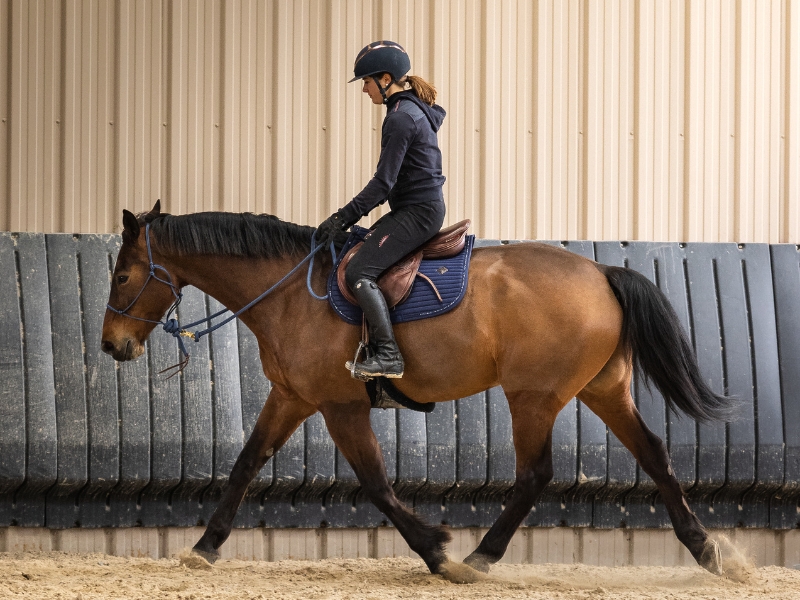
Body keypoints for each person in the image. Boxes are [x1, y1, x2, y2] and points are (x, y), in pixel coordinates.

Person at [315, 40, 447, 379]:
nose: (364, 90)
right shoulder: (409, 110)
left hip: (418, 213)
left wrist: (342, 217)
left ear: (386, 79)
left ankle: (388, 356)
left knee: (358, 271)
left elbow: (382, 184)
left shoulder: (401, 118)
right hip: (416, 208)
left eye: (367, 81)